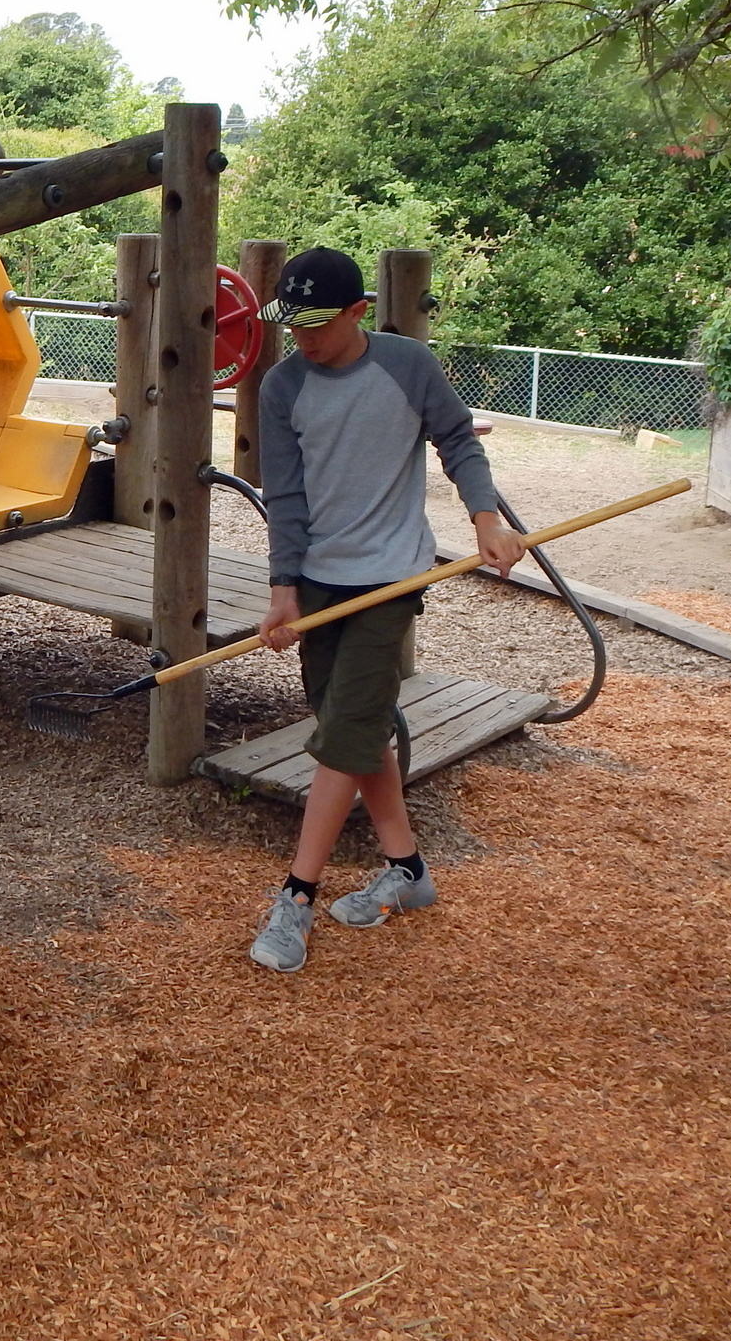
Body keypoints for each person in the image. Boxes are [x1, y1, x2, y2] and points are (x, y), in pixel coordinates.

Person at [246, 247, 525, 972]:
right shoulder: (282, 386)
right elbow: (285, 496)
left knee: (344, 732)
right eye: (292, 325)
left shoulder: (407, 366)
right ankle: (408, 870)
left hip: (391, 579)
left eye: (317, 324)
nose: (303, 339)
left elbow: (457, 440)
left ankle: (297, 896)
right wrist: (283, 589)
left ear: (357, 312)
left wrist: (486, 518)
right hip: (319, 582)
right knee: (356, 727)